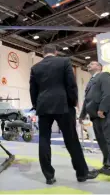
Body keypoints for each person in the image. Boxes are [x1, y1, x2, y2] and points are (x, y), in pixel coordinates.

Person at [29, 44, 98, 185]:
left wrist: (37, 106)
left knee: (43, 140)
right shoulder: (64, 62)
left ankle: (49, 176)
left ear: (43, 53)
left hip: (43, 107)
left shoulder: (35, 68)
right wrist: (73, 102)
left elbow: (33, 90)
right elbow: (71, 84)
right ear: (55, 52)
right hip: (63, 105)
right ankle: (82, 174)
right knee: (72, 140)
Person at [79, 61, 110, 176]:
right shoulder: (90, 82)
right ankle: (107, 165)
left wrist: (102, 108)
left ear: (99, 67)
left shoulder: (104, 76)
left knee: (108, 140)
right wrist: (82, 115)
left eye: (92, 64)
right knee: (102, 141)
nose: (88, 65)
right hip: (95, 117)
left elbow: (107, 93)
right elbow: (87, 101)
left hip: (104, 114)